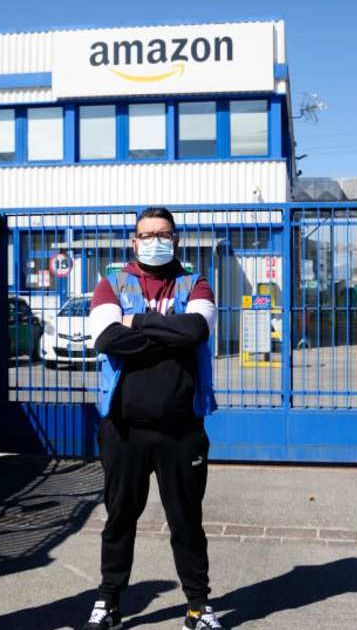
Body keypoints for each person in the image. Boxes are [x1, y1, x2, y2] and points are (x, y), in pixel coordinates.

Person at [81, 207, 224, 630]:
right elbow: (106, 338)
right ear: (133, 240)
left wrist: (138, 323)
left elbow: (196, 331)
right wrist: (167, 333)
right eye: (146, 234)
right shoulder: (111, 283)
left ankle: (198, 606)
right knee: (120, 518)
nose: (154, 240)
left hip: (182, 430)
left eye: (163, 233)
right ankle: (108, 602)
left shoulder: (194, 282)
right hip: (124, 429)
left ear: (176, 239)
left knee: (186, 521)